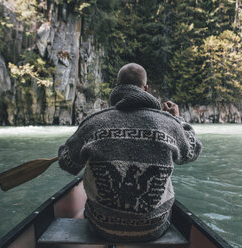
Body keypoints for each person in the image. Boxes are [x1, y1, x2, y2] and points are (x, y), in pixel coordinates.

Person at [57, 63, 202, 242]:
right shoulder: (168, 124)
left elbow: (68, 163)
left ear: (117, 86)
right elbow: (193, 151)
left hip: (102, 227)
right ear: (146, 89)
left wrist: (67, 149)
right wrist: (176, 119)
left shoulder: (94, 122)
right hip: (154, 228)